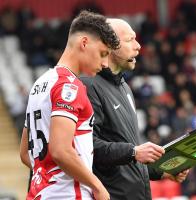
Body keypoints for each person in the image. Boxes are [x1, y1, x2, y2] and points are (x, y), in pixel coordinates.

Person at [80, 18, 189, 200]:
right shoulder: (89, 85)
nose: (138, 46)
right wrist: (133, 152)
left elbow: (130, 158)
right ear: (109, 44)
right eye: (130, 39)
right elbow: (88, 146)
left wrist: (163, 172)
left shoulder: (124, 87)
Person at [19, 10, 120, 200]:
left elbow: (25, 153)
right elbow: (61, 150)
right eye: (103, 53)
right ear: (84, 43)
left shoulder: (40, 84)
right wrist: (97, 186)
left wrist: (47, 176)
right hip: (67, 195)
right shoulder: (69, 86)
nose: (105, 63)